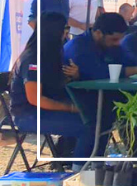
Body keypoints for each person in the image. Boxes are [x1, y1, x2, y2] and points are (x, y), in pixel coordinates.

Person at [63, 13, 137, 161]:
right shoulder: (78, 47)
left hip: (103, 96)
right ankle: (81, 166)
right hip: (77, 99)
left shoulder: (111, 45)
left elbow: (128, 60)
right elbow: (96, 72)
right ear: (98, 33)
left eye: (120, 39)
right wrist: (135, 70)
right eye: (114, 39)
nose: (118, 43)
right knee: (101, 119)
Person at [9, 12, 87, 161]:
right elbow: (35, 99)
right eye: (64, 28)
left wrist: (74, 75)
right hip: (28, 114)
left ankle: (68, 159)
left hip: (44, 110)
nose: (67, 32)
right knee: (86, 126)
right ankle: (80, 168)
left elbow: (58, 85)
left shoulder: (53, 52)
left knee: (92, 119)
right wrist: (68, 107)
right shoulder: (33, 58)